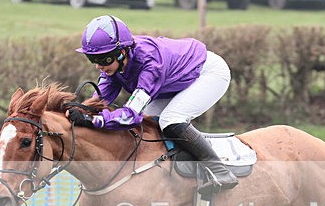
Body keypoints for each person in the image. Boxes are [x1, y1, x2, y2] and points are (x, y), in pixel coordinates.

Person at [68, 15, 238, 194]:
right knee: (148, 123)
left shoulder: (151, 63)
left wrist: (95, 120)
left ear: (122, 52)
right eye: (93, 59)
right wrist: (79, 111)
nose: (99, 66)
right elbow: (98, 100)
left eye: (104, 59)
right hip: (173, 81)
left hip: (207, 73)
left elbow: (131, 115)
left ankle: (220, 171)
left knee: (170, 120)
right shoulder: (115, 65)